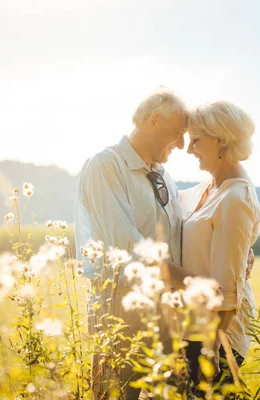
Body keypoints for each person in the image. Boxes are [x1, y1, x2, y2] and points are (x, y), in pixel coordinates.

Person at [74, 88, 191, 399]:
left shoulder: (164, 177)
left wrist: (242, 242)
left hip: (164, 309)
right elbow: (125, 245)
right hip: (119, 306)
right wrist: (189, 280)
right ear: (154, 121)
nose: (182, 144)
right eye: (179, 133)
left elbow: (188, 224)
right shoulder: (106, 166)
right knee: (118, 394)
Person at [179, 100, 260, 396]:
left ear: (222, 141)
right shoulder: (208, 187)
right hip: (194, 330)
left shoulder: (236, 199)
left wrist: (210, 354)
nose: (189, 149)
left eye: (196, 140)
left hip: (217, 337)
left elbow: (228, 291)